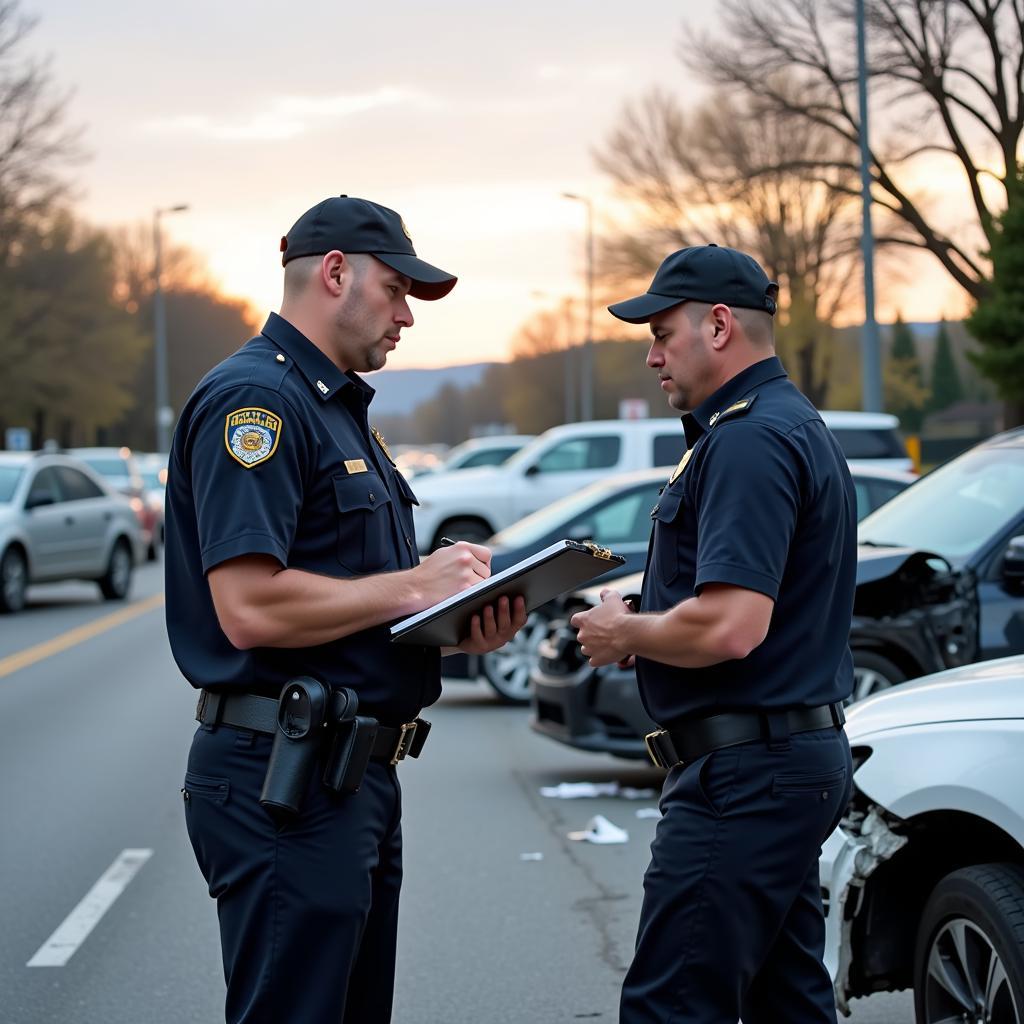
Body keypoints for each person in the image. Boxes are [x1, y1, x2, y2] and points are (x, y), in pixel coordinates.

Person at [164, 195, 526, 1024]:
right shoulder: (254, 404)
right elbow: (249, 607)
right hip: (284, 779)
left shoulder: (333, 410)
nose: (406, 316)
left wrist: (452, 623)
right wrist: (416, 585)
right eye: (397, 290)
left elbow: (352, 603)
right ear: (335, 274)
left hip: (345, 775)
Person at [571, 244, 856, 1024]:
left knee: (673, 1005)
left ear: (720, 325)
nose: (653, 355)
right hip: (778, 764)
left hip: (747, 776)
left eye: (663, 333)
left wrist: (625, 630)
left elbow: (732, 625)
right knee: (788, 1002)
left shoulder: (748, 439)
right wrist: (647, 607)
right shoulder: (781, 424)